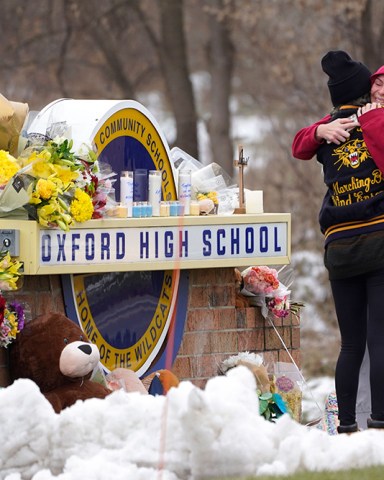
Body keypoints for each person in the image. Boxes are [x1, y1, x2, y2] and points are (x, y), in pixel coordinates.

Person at [292, 50, 384, 434]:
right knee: (375, 342)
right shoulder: (348, 123)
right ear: (366, 88)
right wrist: (319, 129)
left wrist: (321, 130)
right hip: (374, 242)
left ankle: (347, 425)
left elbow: (301, 146)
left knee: (353, 345)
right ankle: (377, 423)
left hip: (340, 248)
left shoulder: (338, 125)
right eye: (378, 84)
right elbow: (300, 143)